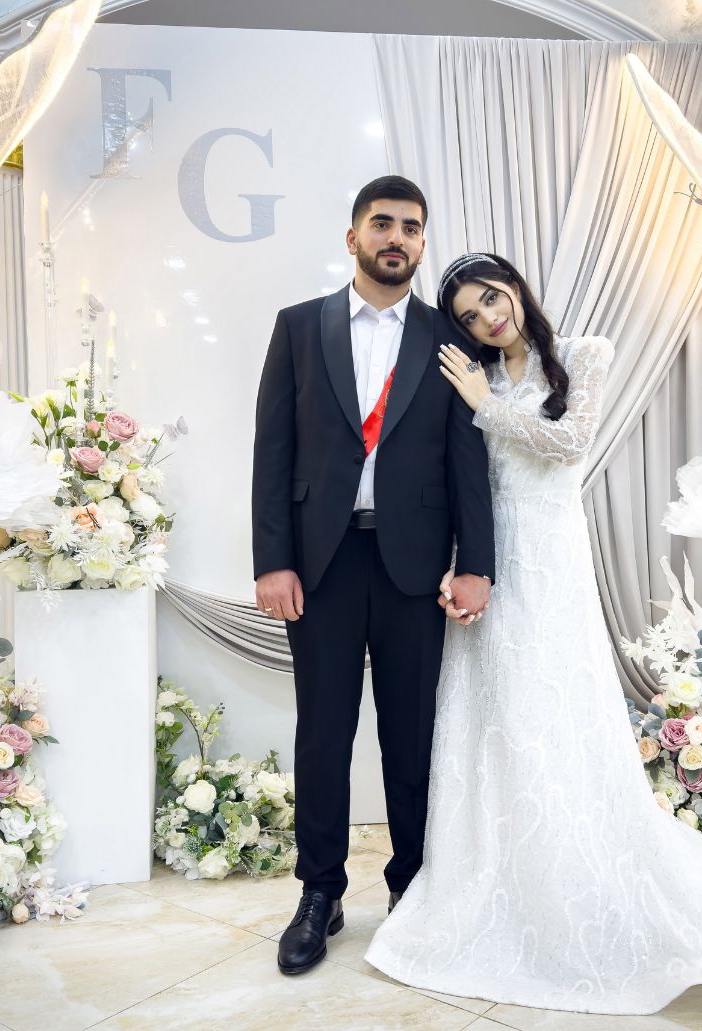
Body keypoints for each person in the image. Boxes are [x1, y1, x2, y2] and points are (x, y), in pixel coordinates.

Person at [363, 251, 702, 1015]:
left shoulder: (581, 355)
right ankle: (495, 874)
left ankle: (576, 871)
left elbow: (569, 442)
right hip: (490, 561)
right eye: (468, 315)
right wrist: (461, 563)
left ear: (515, 288)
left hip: (551, 559)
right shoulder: (473, 375)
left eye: (491, 298)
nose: (487, 318)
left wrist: (484, 403)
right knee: (493, 717)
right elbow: (462, 481)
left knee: (555, 712)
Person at [250, 176, 495, 976]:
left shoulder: (449, 338)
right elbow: (272, 450)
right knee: (323, 733)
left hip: (413, 566)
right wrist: (272, 559)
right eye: (382, 223)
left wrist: (476, 564)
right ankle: (318, 892)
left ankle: (411, 887)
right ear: (352, 236)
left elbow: (468, 459)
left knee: (410, 735)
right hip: (320, 563)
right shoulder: (298, 326)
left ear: (421, 243)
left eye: (411, 227)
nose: (397, 237)